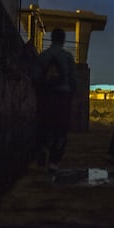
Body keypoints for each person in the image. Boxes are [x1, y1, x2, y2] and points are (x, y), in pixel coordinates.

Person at [34, 28, 77, 181]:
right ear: (63, 40)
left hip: (46, 96)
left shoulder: (43, 56)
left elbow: (36, 77)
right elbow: (73, 80)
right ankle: (53, 163)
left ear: (51, 39)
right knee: (61, 130)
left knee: (44, 126)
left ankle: (42, 149)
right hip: (62, 97)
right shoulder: (68, 57)